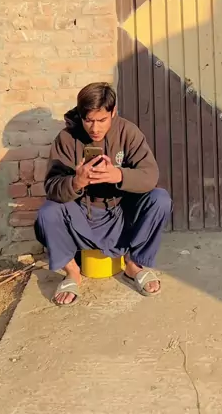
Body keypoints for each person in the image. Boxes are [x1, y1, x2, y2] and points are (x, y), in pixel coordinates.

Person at [35, 82, 172, 305]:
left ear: (113, 112)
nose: (95, 128)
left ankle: (133, 265)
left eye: (102, 120)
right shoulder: (67, 138)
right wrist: (76, 182)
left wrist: (118, 175)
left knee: (160, 199)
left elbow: (150, 175)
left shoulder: (128, 132)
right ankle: (72, 272)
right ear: (81, 115)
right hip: (81, 216)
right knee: (48, 212)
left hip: (120, 214)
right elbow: (52, 187)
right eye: (88, 120)